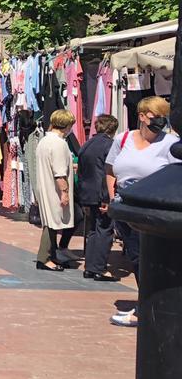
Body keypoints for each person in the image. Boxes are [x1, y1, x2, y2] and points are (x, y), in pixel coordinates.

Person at [105, 96, 180, 327]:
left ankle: (146, 307)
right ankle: (146, 303)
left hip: (151, 209)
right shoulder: (123, 138)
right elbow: (110, 167)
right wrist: (111, 197)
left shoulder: (170, 143)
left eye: (163, 116)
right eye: (155, 116)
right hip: (126, 207)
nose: (159, 121)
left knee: (145, 258)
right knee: (135, 258)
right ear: (141, 116)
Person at [32, 109, 77, 272]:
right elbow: (59, 172)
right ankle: (44, 258)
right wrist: (64, 192)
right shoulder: (59, 143)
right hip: (54, 188)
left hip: (45, 185)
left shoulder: (45, 141)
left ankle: (51, 255)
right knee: (52, 222)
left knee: (51, 220)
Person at [78, 114, 119, 282]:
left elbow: (81, 172)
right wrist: (106, 198)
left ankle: (90, 266)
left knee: (93, 230)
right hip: (100, 193)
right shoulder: (109, 145)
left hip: (87, 193)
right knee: (105, 230)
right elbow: (106, 174)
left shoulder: (87, 144)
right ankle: (99, 268)